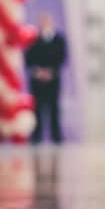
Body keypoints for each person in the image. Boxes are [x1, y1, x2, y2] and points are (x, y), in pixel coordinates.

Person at [24, 12, 67, 144]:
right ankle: (36, 135)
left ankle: (56, 136)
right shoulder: (32, 40)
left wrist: (50, 72)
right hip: (37, 80)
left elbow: (62, 58)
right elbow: (28, 59)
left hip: (53, 80)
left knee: (54, 108)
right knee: (36, 109)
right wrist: (37, 71)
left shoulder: (59, 40)